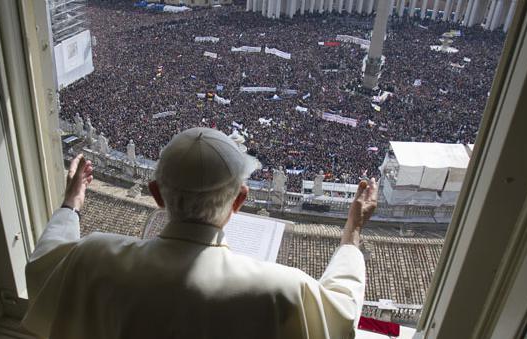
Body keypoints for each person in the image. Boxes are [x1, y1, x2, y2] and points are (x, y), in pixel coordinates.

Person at [23, 127, 379, 339]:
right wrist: (351, 235)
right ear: (239, 200)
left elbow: (42, 268)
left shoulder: (94, 256)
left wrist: (71, 205)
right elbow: (343, 315)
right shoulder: (282, 289)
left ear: (156, 195)